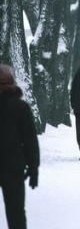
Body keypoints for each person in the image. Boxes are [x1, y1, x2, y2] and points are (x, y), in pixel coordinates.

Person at [0, 64, 40, 229]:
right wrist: (33, 167)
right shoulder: (20, 107)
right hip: (13, 167)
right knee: (16, 211)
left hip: (12, 166)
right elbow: (30, 139)